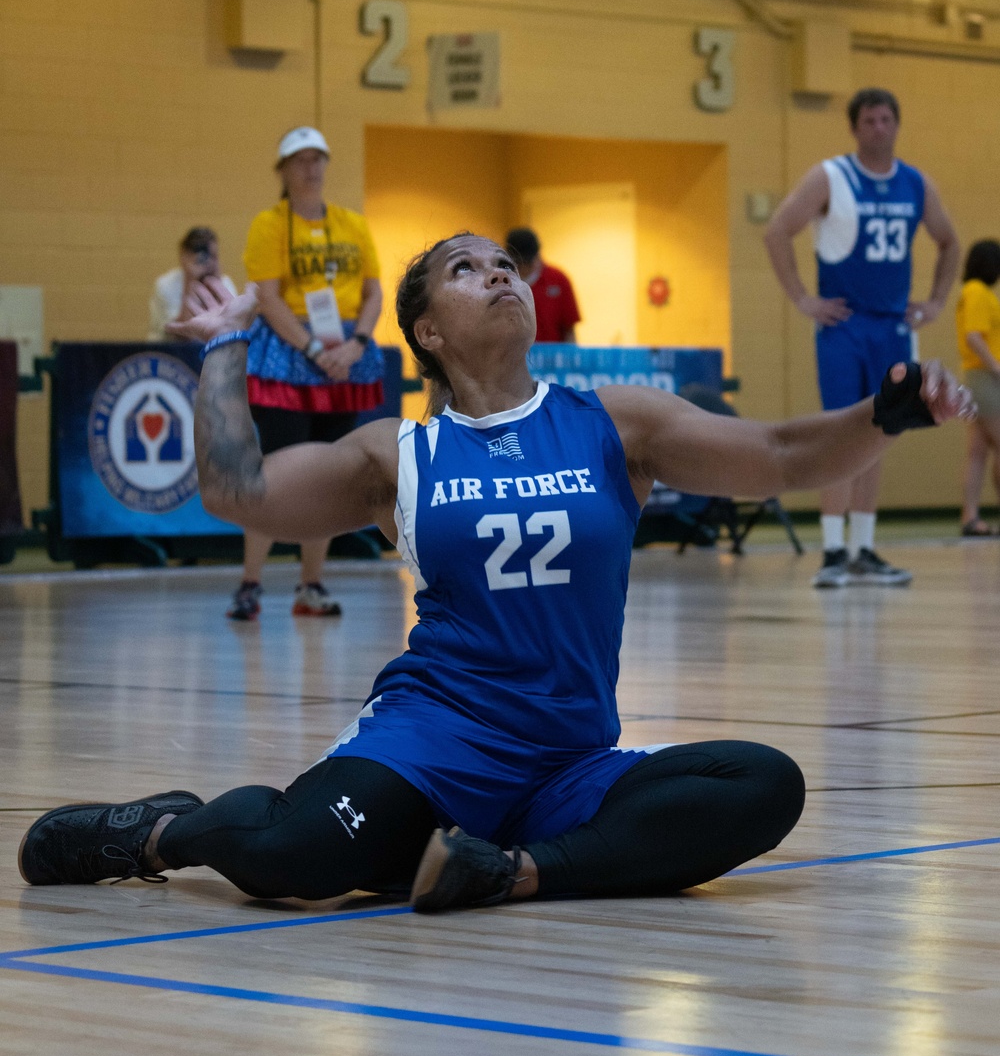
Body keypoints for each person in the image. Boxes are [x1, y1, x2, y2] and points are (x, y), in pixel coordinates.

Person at [18, 235, 973, 912]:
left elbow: (775, 454)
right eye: (465, 271)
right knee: (292, 859)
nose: (499, 275)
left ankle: (508, 871)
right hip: (433, 744)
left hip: (568, 763)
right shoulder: (402, 452)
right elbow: (238, 493)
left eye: (504, 263)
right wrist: (227, 348)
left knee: (763, 784)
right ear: (428, 332)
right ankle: (158, 833)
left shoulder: (615, 421)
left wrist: (882, 415)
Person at [765, 87, 960, 588]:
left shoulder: (916, 183)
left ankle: (865, 549)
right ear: (854, 128)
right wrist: (802, 299)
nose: (879, 128)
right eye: (869, 120)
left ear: (898, 125)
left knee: (882, 433)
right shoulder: (831, 176)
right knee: (839, 431)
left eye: (886, 119)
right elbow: (777, 230)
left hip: (893, 326)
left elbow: (949, 241)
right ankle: (832, 549)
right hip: (844, 325)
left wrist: (936, 301)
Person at [229, 125, 385, 622]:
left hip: (345, 357)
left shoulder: (352, 224)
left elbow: (373, 291)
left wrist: (357, 342)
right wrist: (315, 348)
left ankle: (311, 585)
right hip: (288, 354)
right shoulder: (269, 224)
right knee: (275, 474)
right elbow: (268, 297)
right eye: (300, 159)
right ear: (283, 170)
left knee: (326, 477)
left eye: (319, 157)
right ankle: (251, 582)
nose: (312, 167)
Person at [956, 239, 1000, 537]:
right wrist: (997, 368)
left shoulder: (968, 293)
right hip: (985, 379)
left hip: (974, 378)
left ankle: (969, 517)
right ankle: (971, 516)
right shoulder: (979, 293)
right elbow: (974, 336)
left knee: (977, 453)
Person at [147, 227, 236, 342]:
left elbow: (230, 328)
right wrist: (190, 280)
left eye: (213, 256)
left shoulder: (226, 283)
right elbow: (181, 333)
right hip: (172, 353)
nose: (207, 261)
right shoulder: (166, 285)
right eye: (202, 254)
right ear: (184, 254)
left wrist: (216, 280)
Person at [505, 227, 580, 343]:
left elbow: (569, 329)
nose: (524, 267)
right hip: (512, 357)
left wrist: (572, 358)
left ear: (537, 255)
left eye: (528, 262)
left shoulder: (558, 280)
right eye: (519, 263)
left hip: (551, 357)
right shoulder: (502, 281)